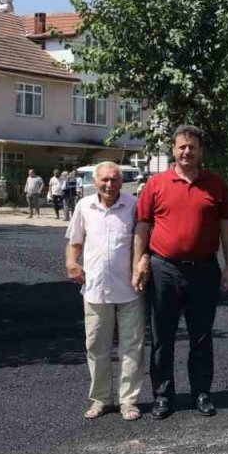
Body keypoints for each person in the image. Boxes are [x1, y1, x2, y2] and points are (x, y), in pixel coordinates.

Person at [132, 126, 228, 419]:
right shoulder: (156, 184)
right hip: (164, 268)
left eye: (192, 147)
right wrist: (139, 262)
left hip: (204, 270)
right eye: (181, 147)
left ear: (201, 151)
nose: (186, 151)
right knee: (163, 336)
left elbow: (227, 226)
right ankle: (163, 396)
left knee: (201, 336)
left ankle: (201, 392)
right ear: (174, 150)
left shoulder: (215, 185)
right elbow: (142, 225)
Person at [65, 162, 148, 421]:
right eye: (104, 180)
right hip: (95, 290)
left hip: (130, 289)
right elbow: (74, 241)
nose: (109, 185)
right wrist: (71, 263)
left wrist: (143, 260)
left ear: (122, 182)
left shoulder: (133, 206)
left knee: (132, 348)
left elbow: (145, 239)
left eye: (114, 180)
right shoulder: (84, 206)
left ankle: (128, 401)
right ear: (94, 181)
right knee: (96, 347)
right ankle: (101, 398)